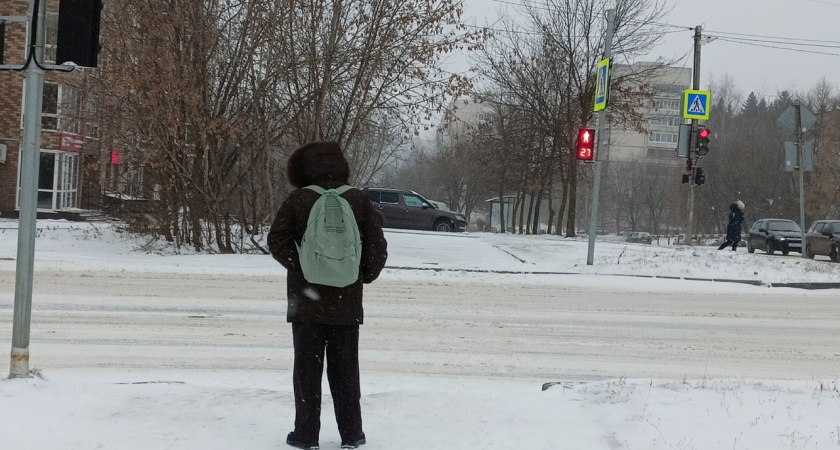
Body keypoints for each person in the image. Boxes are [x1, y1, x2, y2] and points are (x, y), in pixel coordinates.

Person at [267, 141, 388, 450]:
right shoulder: (358, 200)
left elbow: (276, 240)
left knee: (307, 374)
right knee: (346, 372)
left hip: (306, 303)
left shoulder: (299, 199)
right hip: (346, 305)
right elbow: (377, 246)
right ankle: (352, 434)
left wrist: (303, 267)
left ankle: (305, 435)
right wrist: (362, 275)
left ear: (304, 167)